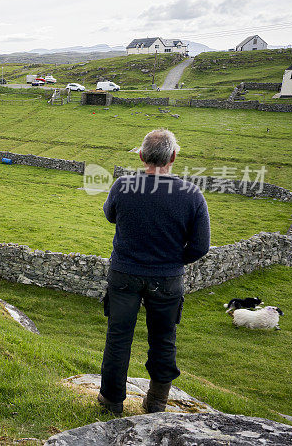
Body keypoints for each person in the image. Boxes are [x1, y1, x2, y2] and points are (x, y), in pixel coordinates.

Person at [97, 129, 211, 416]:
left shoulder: (123, 186)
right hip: (167, 279)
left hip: (124, 274)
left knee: (118, 336)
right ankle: (157, 401)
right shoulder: (191, 194)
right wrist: (173, 261)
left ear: (141, 155)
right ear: (173, 156)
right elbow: (200, 246)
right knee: (163, 338)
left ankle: (111, 401)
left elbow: (110, 215)